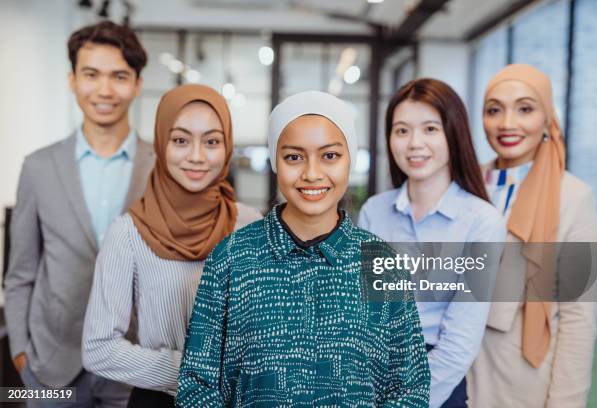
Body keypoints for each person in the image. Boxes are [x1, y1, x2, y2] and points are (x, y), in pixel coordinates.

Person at [176, 90, 431, 407]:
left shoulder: (380, 262)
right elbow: (198, 386)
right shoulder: (232, 258)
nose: (312, 174)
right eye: (294, 157)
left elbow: (410, 387)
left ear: (349, 159)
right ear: (275, 161)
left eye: (330, 156)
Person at [82, 84, 261, 408]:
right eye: (180, 140)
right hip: (160, 401)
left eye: (212, 141)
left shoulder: (249, 225)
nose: (196, 156)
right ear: (162, 143)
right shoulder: (128, 233)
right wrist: (193, 371)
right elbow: (98, 347)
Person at [4, 21, 153, 406]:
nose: (104, 90)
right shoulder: (39, 167)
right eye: (91, 75)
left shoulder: (161, 168)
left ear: (137, 84)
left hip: (134, 366)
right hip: (50, 366)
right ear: (72, 80)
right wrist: (21, 352)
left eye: (119, 76)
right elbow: (20, 272)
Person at [358, 78, 505, 408]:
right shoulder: (374, 212)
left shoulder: (482, 222)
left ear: (453, 134)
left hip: (438, 385)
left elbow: (460, 341)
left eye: (429, 129)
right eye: (401, 131)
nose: (414, 143)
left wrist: (408, 401)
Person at [467, 64, 597, 407]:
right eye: (494, 110)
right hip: (456, 367)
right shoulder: (465, 184)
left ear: (547, 117)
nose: (507, 123)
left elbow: (577, 321)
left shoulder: (573, 196)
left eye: (525, 109)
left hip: (523, 380)